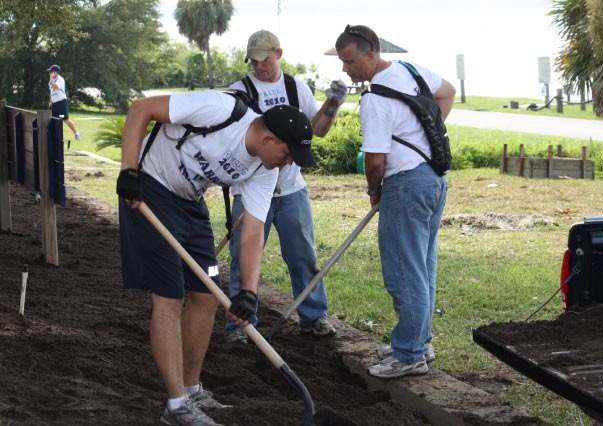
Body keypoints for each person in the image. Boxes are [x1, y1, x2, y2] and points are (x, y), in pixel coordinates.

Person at [116, 89, 317, 425]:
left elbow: (253, 232)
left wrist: (248, 293)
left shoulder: (265, 170)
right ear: (269, 138)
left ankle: (192, 389)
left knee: (208, 292)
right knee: (169, 296)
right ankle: (176, 406)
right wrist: (129, 171)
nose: (290, 162)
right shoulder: (219, 109)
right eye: (289, 153)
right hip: (151, 191)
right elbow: (141, 109)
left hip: (191, 206)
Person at [334, 25, 456, 379]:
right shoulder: (411, 71)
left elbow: (375, 161)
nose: (345, 69)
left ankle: (408, 355)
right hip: (432, 181)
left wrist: (374, 189)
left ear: (370, 54)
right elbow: (447, 93)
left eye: (350, 61)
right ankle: (420, 341)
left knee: (405, 273)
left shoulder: (374, 101)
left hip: (404, 186)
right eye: (343, 62)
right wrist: (426, 132)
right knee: (422, 269)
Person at [223, 29, 348, 343]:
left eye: (264, 59)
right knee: (242, 257)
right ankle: (239, 324)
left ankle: (314, 317)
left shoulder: (296, 88)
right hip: (250, 190)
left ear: (278, 54)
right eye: (253, 61)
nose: (258, 66)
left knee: (303, 255)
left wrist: (331, 104)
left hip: (292, 189)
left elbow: (316, 130)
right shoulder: (239, 91)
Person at [47, 65, 80, 140]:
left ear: (55, 72)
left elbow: (55, 87)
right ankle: (54, 136)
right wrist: (50, 101)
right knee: (53, 119)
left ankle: (76, 133)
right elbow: (51, 91)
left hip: (61, 103)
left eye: (51, 71)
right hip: (54, 103)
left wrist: (51, 79)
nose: (49, 73)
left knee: (65, 119)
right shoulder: (50, 82)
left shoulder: (60, 79)